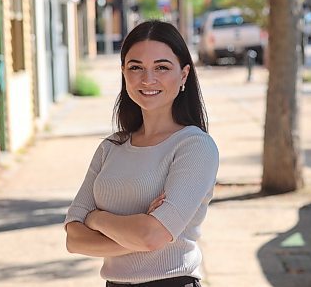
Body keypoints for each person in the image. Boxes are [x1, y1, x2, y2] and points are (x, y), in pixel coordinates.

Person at [64, 20, 219, 287]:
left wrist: (96, 218)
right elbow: (74, 240)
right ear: (124, 73)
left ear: (183, 75)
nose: (148, 79)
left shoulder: (195, 147)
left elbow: (151, 237)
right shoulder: (111, 147)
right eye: (136, 67)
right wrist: (136, 232)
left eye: (162, 67)